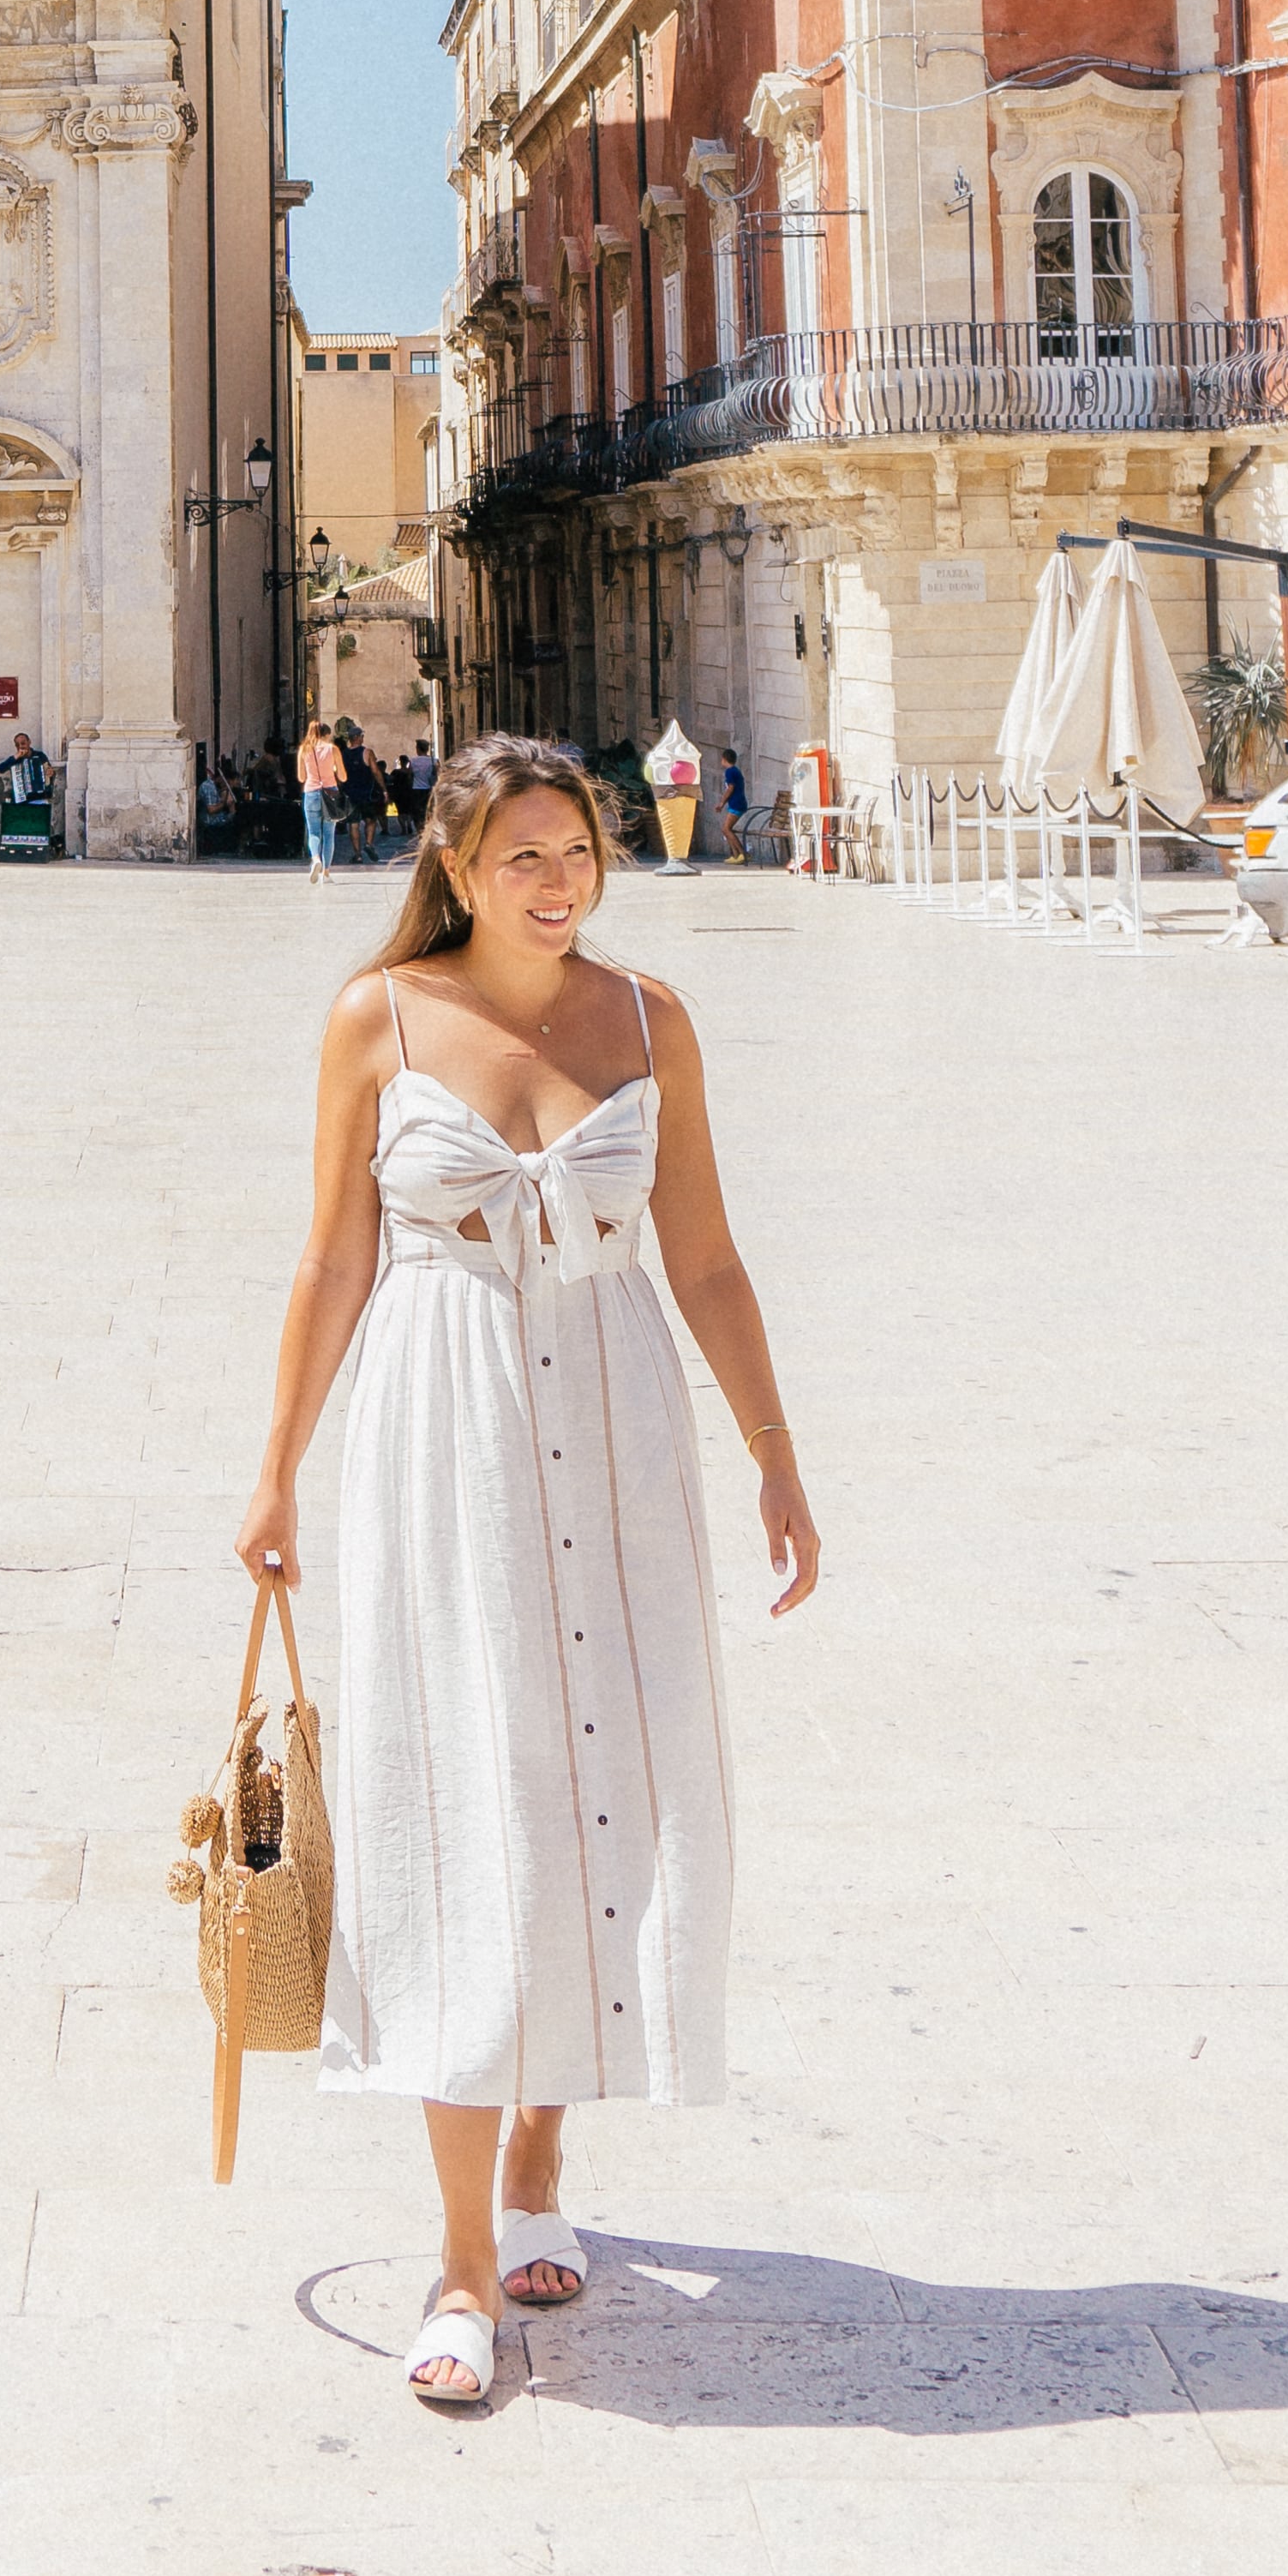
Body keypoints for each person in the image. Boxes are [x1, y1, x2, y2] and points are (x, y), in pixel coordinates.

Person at [235, 730, 818, 2415]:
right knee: (456, 1806)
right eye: (524, 860)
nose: (557, 885)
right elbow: (333, 1254)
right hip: (442, 1434)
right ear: (454, 866)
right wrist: (272, 1467)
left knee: (599, 1797)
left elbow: (700, 1254)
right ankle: (462, 2265)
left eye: (578, 855)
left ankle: (544, 2165)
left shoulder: (649, 1024)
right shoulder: (379, 1018)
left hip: (617, 1426)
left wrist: (775, 1452)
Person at [294, 716, 346, 874]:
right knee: (329, 833)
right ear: (326, 735)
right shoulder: (333, 749)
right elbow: (343, 777)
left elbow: (302, 777)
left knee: (313, 832)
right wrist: (333, 771)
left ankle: (316, 858)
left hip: (311, 792)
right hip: (330, 792)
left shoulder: (304, 750)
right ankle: (326, 871)